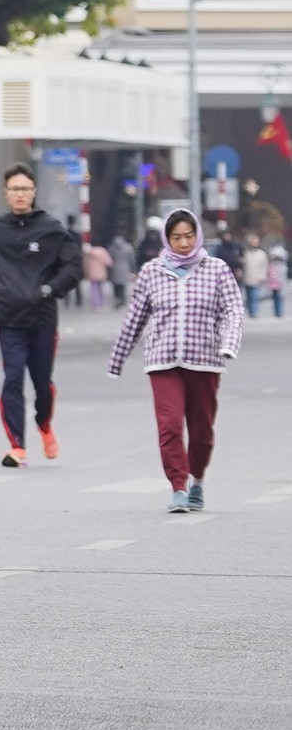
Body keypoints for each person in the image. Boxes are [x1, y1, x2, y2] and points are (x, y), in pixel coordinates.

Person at [107, 209, 245, 513]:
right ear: (166, 240)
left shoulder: (217, 269)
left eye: (188, 236)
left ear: (198, 236)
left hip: (204, 360)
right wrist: (117, 359)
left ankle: (197, 479)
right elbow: (135, 318)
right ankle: (178, 487)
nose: (183, 243)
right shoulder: (151, 271)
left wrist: (228, 344)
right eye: (176, 237)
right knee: (169, 425)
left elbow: (233, 311)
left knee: (202, 430)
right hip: (163, 360)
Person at [0, 164, 81, 469]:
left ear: (34, 192)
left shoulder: (52, 229)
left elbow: (73, 266)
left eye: (25, 189)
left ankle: (44, 425)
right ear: (6, 194)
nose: (20, 195)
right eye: (14, 189)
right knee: (13, 377)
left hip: (43, 317)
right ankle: (17, 446)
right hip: (9, 318)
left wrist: (50, 289)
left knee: (42, 384)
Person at [241, 234, 269, 318]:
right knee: (248, 296)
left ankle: (254, 312)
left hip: (256, 278)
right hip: (247, 277)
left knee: (254, 296)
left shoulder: (261, 254)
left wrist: (262, 276)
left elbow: (264, 266)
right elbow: (243, 265)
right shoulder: (246, 253)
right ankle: (250, 311)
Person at [108, 232, 136, 308]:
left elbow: (109, 258)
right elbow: (131, 259)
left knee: (115, 285)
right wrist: (133, 268)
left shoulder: (112, 247)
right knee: (123, 286)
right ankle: (122, 299)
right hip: (125, 268)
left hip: (115, 268)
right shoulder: (128, 247)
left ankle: (117, 298)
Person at [85, 241, 113, 310]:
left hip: (92, 273)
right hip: (101, 273)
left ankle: (95, 305)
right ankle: (101, 304)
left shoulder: (89, 253)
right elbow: (109, 262)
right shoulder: (103, 252)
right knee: (101, 289)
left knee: (94, 289)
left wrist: (86, 272)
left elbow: (85, 264)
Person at [269, 242, 288, 318]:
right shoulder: (271, 267)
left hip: (280, 284)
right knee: (275, 298)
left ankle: (279, 312)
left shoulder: (283, 267)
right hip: (273, 285)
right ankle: (277, 311)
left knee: (280, 297)